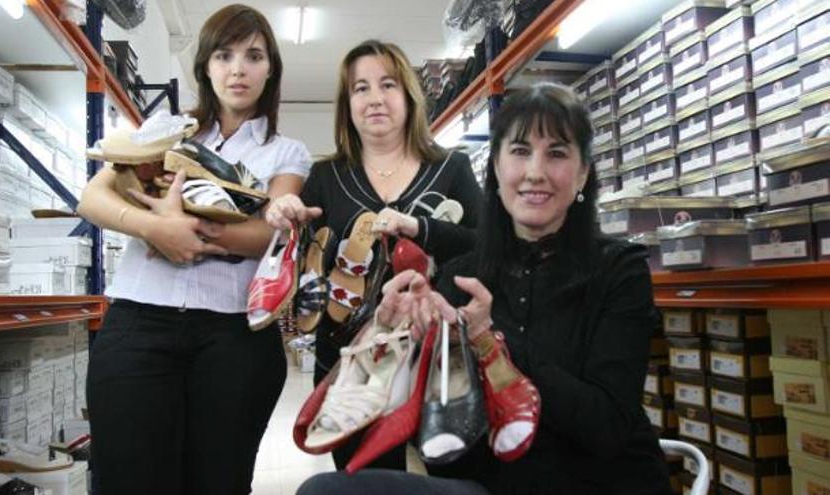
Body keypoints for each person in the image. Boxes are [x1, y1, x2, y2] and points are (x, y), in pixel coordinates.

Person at [296, 83, 672, 494]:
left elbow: (606, 427)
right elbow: (441, 448)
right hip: (493, 488)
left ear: (583, 173)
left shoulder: (620, 270)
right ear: (495, 167)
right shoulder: (461, 277)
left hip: (602, 485)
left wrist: (490, 341)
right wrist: (394, 341)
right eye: (520, 151)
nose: (535, 172)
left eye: (558, 153)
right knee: (325, 491)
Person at [77, 5, 311, 494]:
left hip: (232, 337)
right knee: (128, 478)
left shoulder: (285, 152)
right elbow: (93, 198)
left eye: (253, 56)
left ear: (271, 69)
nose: (238, 69)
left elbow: (272, 232)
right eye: (224, 55)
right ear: (206, 65)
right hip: (140, 322)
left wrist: (189, 232)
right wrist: (155, 228)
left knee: (219, 483)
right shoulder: (166, 129)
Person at [265, 39, 482, 470]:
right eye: (360, 88)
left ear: (409, 95)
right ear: (347, 104)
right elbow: (305, 262)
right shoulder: (325, 177)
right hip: (353, 361)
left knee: (447, 474)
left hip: (440, 358)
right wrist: (287, 214)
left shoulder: (451, 168)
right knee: (364, 481)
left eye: (388, 84)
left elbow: (489, 244)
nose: (375, 98)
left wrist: (421, 227)